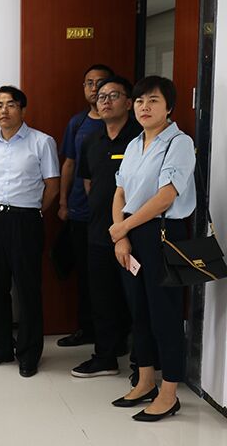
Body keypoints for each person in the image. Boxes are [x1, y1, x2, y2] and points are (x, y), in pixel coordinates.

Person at [109, 76, 195, 421]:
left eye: (153, 100)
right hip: (131, 233)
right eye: (140, 101)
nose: (144, 107)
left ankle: (169, 393)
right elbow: (120, 192)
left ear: (169, 107)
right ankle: (145, 381)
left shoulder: (179, 142)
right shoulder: (134, 144)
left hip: (163, 232)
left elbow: (166, 197)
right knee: (139, 311)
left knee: (165, 315)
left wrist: (123, 228)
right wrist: (121, 235)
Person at [0, 85, 60, 377]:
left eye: (11, 104)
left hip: (25, 221)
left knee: (27, 289)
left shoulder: (42, 142)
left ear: (22, 109)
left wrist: (31, 210)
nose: (4, 110)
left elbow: (52, 186)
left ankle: (29, 353)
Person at [72, 76, 140, 378]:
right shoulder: (91, 140)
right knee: (101, 298)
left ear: (128, 102)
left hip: (135, 232)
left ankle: (143, 361)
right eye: (101, 97)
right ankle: (106, 357)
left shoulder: (140, 139)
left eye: (114, 95)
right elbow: (89, 183)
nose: (106, 101)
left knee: (136, 299)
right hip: (99, 231)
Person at [57, 64, 114, 347]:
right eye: (89, 83)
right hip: (80, 210)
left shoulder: (125, 125)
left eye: (100, 83)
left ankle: (115, 336)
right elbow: (69, 164)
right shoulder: (77, 124)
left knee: (112, 277)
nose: (95, 89)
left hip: (115, 215)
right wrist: (63, 202)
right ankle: (86, 329)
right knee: (84, 274)